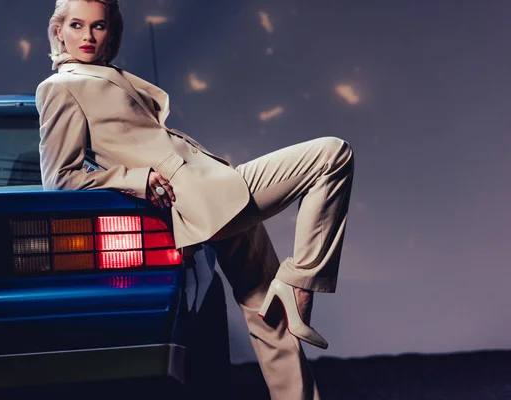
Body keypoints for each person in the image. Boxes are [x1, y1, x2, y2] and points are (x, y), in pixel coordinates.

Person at [36, 1, 355, 398]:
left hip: (214, 189)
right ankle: (302, 279)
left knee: (267, 315)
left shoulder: (107, 74)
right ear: (59, 30)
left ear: (111, 31)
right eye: (77, 25)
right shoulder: (59, 88)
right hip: (193, 196)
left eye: (98, 26)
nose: (87, 36)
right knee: (331, 154)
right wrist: (137, 180)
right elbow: (60, 180)